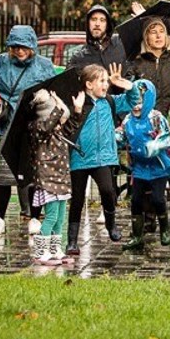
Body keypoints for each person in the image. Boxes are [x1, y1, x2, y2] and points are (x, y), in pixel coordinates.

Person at [0, 26, 56, 236]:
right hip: (9, 127)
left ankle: (35, 217)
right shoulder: (0, 62)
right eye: (15, 46)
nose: (19, 50)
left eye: (23, 46)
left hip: (35, 127)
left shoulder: (44, 66)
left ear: (32, 46)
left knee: (35, 175)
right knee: (5, 175)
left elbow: (54, 91)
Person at [68, 63, 138, 254]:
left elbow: (133, 100)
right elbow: (69, 128)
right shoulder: (79, 102)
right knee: (77, 199)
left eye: (106, 81)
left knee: (108, 191)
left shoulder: (109, 101)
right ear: (89, 85)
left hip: (104, 158)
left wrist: (126, 85)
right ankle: (72, 240)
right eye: (102, 81)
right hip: (80, 157)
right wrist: (76, 110)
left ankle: (111, 225)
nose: (106, 84)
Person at [130, 17, 170, 238]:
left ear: (167, 36)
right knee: (145, 171)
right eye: (152, 32)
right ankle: (149, 218)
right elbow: (131, 93)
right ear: (146, 37)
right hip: (146, 125)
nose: (157, 36)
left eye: (161, 31)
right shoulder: (137, 63)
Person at [24, 89, 85, 265]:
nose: (60, 122)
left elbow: (72, 126)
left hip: (61, 178)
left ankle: (55, 249)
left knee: (59, 217)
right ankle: (40, 252)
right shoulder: (37, 128)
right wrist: (57, 107)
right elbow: (46, 127)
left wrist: (77, 110)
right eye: (57, 117)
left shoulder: (57, 131)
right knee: (50, 216)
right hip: (47, 179)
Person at [121, 80, 170, 251]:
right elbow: (122, 136)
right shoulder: (128, 120)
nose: (137, 107)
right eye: (133, 103)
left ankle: (165, 229)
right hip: (139, 167)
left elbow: (167, 138)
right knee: (136, 200)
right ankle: (137, 236)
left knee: (158, 199)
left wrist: (153, 146)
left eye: (140, 102)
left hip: (158, 166)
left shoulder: (156, 117)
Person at [67, 3, 129, 75]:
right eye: (93, 19)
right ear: (88, 23)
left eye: (102, 20)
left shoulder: (121, 43)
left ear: (107, 25)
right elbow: (66, 84)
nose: (97, 24)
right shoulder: (79, 57)